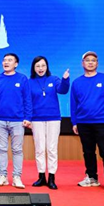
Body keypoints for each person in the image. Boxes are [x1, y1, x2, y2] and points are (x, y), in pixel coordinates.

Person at [70, 51, 104, 193]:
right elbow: (73, 104)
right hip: (83, 123)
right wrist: (74, 122)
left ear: (97, 63)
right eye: (87, 60)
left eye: (93, 60)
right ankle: (92, 177)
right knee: (88, 152)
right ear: (82, 63)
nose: (90, 62)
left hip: (102, 122)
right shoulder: (77, 82)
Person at [0, 53, 33, 189]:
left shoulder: (22, 79)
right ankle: (2, 176)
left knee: (17, 150)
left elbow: (27, 99)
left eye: (9, 60)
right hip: (0, 120)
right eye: (4, 60)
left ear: (16, 64)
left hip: (18, 121)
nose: (6, 62)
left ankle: (16, 177)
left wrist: (28, 117)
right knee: (1, 149)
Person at [29, 56, 70, 190]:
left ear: (47, 67)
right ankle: (41, 176)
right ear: (33, 68)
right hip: (36, 119)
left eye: (43, 66)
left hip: (53, 118)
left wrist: (65, 79)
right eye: (37, 66)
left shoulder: (54, 79)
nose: (40, 68)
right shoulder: (29, 82)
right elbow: (27, 102)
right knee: (39, 148)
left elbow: (63, 90)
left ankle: (52, 177)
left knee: (52, 148)